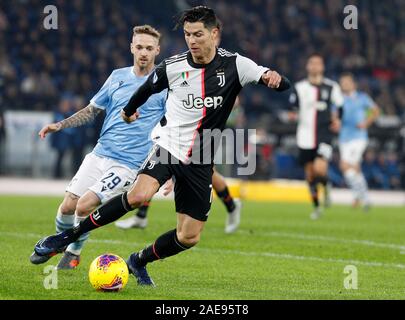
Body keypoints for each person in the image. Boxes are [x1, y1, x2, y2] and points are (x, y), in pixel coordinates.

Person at [32, 6, 290, 286]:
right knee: (139, 196)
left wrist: (273, 78)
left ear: (214, 34)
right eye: (187, 34)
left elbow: (280, 83)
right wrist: (128, 110)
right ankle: (64, 238)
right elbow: (146, 89)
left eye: (198, 34)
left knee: (189, 236)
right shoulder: (173, 66)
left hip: (202, 153)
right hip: (169, 144)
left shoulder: (237, 65)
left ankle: (138, 261)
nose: (192, 40)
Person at [30, 25, 168, 269]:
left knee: (84, 205)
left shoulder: (164, 85)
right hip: (99, 153)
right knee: (67, 206)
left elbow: (171, 127)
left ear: (157, 50)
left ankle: (73, 253)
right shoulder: (117, 76)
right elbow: (92, 110)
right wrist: (60, 125)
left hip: (128, 163)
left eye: (149, 48)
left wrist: (170, 169)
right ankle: (61, 242)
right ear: (131, 48)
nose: (143, 52)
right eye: (139, 47)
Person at [288, 54, 344, 220]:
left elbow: (340, 106)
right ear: (307, 66)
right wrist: (293, 115)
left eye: (318, 63)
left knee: (320, 169)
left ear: (322, 67)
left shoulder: (331, 87)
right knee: (310, 175)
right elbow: (293, 108)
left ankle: (326, 187)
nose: (314, 66)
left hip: (324, 134)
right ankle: (317, 207)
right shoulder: (299, 87)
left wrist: (337, 120)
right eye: (311, 63)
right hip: (304, 135)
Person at [115, 167, 243, 234]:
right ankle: (141, 216)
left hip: (197, 131)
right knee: (154, 167)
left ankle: (231, 206)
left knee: (210, 172)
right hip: (174, 130)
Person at [338, 72, 380, 209]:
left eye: (346, 82)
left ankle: (364, 198)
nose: (344, 84)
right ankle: (360, 196)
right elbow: (334, 115)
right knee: (354, 168)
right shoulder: (338, 99)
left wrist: (366, 123)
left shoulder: (362, 98)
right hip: (344, 136)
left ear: (353, 84)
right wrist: (335, 122)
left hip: (358, 137)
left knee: (345, 165)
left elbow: (375, 111)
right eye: (342, 82)